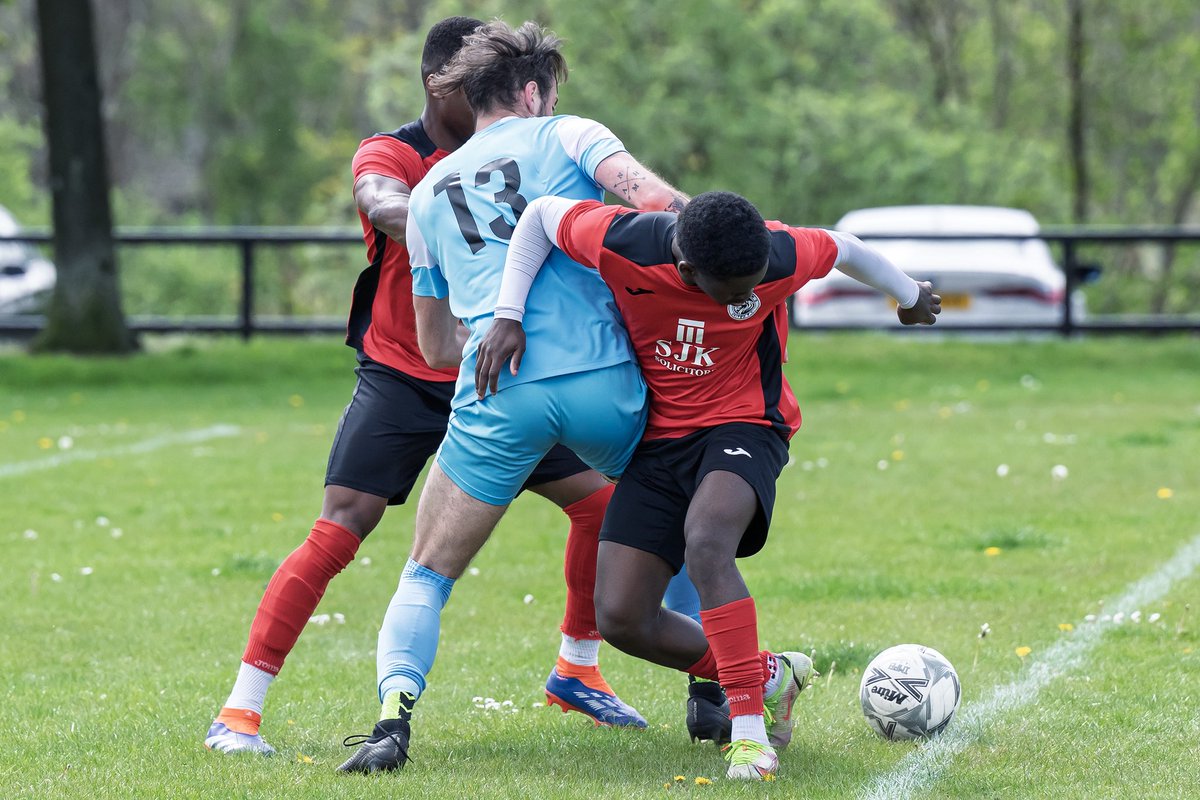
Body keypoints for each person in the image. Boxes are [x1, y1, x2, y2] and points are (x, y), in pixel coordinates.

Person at [203, 16, 645, 758]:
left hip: (503, 376)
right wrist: (447, 217)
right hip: (407, 375)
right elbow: (380, 198)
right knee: (340, 529)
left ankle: (577, 671)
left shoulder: (528, 145)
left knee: (603, 506)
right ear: (440, 85)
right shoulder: (396, 153)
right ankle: (239, 712)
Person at [335, 20, 701, 773]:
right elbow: (663, 206)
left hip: (496, 391)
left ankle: (390, 722)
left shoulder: (431, 188)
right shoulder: (567, 134)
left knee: (427, 573)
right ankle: (716, 691)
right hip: (604, 380)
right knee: (686, 513)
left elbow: (436, 348)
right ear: (534, 91)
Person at [475, 190, 940, 779]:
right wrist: (507, 315)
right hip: (660, 441)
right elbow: (541, 214)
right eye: (734, 289)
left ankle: (749, 736)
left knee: (707, 544)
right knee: (621, 616)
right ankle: (769, 675)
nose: (749, 296)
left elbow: (844, 246)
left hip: (747, 423)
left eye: (756, 284)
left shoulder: (775, 253)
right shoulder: (623, 243)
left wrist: (910, 296)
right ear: (687, 270)